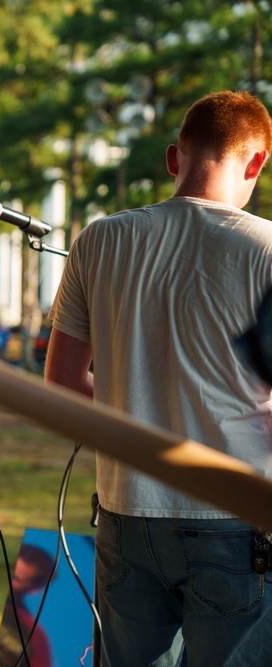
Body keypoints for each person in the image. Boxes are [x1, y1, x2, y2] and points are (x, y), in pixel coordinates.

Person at [45, 90, 272, 666]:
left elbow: (63, 386)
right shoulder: (267, 249)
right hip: (235, 517)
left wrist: (137, 420)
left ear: (174, 159)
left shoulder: (97, 240)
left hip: (127, 512)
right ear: (256, 163)